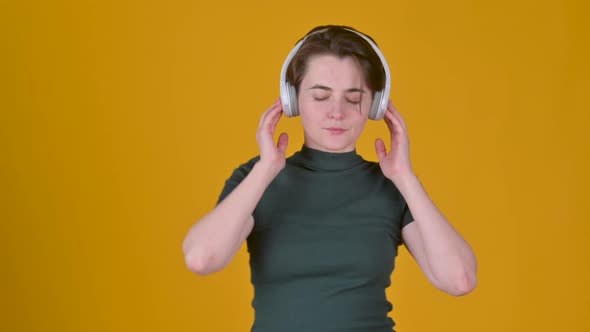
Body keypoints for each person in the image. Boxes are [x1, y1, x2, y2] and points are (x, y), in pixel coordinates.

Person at [182, 25, 478, 332]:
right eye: (321, 96)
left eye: (353, 98)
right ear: (292, 100)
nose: (336, 112)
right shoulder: (255, 180)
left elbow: (460, 279)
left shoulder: (392, 187)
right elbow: (202, 259)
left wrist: (405, 177)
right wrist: (266, 169)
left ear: (375, 105)